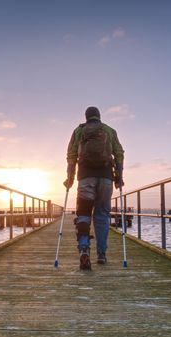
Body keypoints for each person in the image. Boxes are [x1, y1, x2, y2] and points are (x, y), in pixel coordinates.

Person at [63, 106, 125, 270]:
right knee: (102, 216)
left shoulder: (78, 131)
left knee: (83, 214)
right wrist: (119, 176)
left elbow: (71, 155)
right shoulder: (109, 130)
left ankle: (84, 249)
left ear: (86, 117)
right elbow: (119, 153)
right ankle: (102, 254)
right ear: (99, 116)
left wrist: (70, 177)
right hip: (106, 178)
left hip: (85, 178)